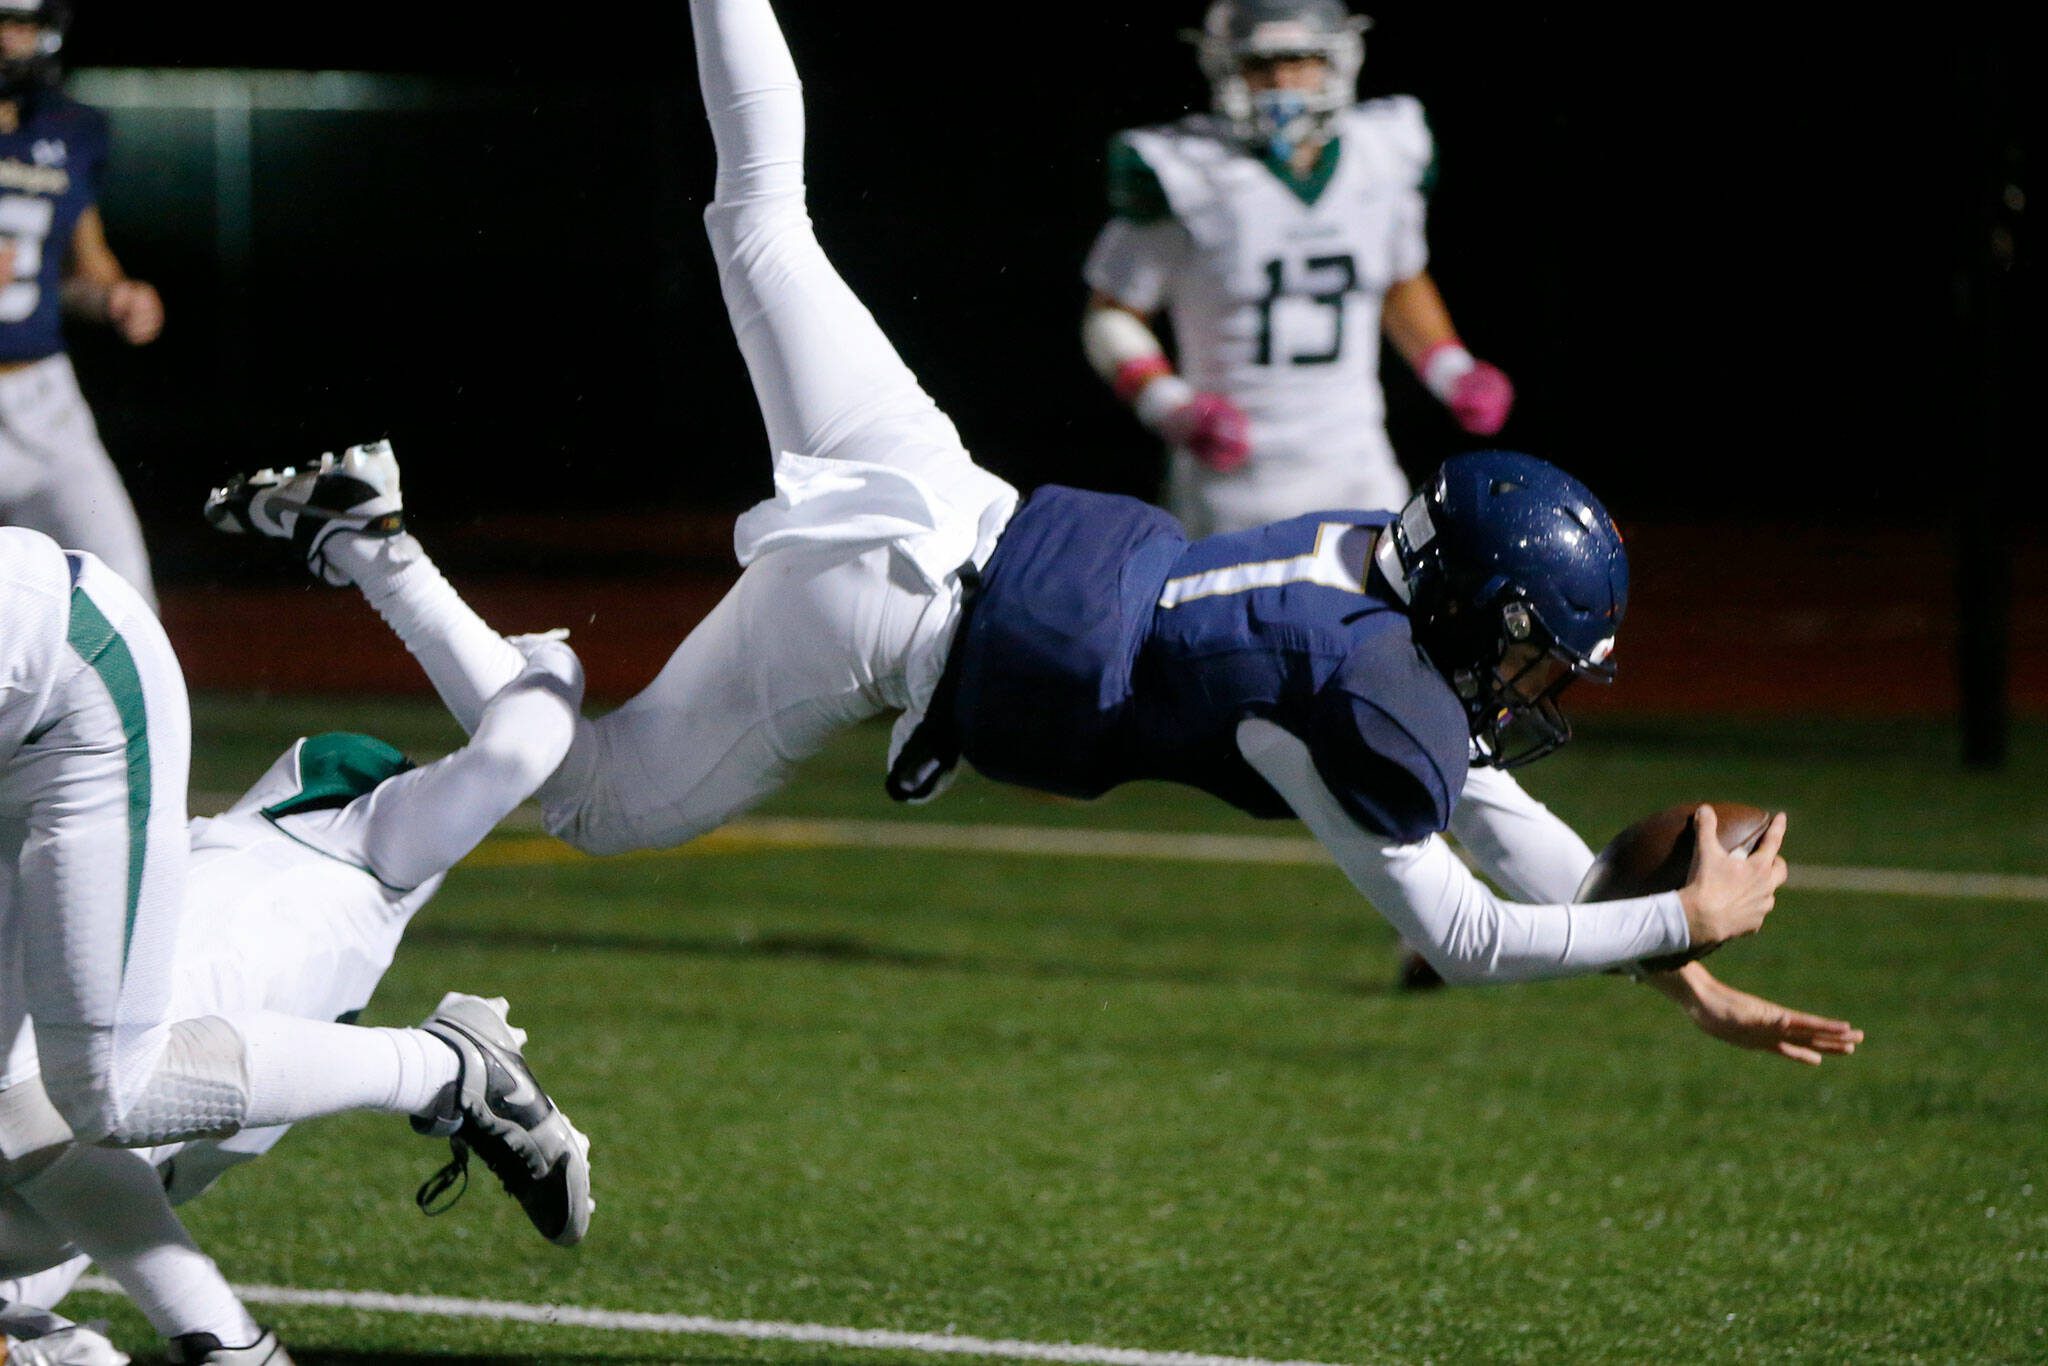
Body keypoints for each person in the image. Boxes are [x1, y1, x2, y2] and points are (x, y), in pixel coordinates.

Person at [208, 0, 1861, 1067]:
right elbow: (1464, 933)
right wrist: (1675, 922)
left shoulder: (1374, 554)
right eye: (1521, 643)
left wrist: (1673, 971)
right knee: (585, 799)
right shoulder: (1343, 692)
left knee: (758, 211)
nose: (1521, 684)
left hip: (942, 486)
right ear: (1466, 606)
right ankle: (375, 548)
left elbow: (1495, 812)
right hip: (888, 625)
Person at [0, 631, 591, 1366]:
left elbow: (511, 757)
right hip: (77, 1167)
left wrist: (548, 663)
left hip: (64, 1144)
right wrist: (551, 665)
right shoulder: (313, 947)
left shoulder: (335, 846)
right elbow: (519, 752)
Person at [1081, 0, 1515, 538]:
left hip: (1357, 466)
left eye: (1300, 58)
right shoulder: (1186, 170)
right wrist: (1172, 407)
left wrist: (1452, 368)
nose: (1282, 79)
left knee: (1389, 614)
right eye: (1260, 64)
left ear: (1339, 60)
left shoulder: (1381, 155)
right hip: (1234, 483)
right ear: (1224, 67)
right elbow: (1111, 315)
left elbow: (1399, 282)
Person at [0, 0, 162, 610]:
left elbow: (80, 271)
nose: (13, 40)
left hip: (44, 400)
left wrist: (115, 296)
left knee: (124, 594)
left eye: (24, 25)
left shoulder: (69, 131)